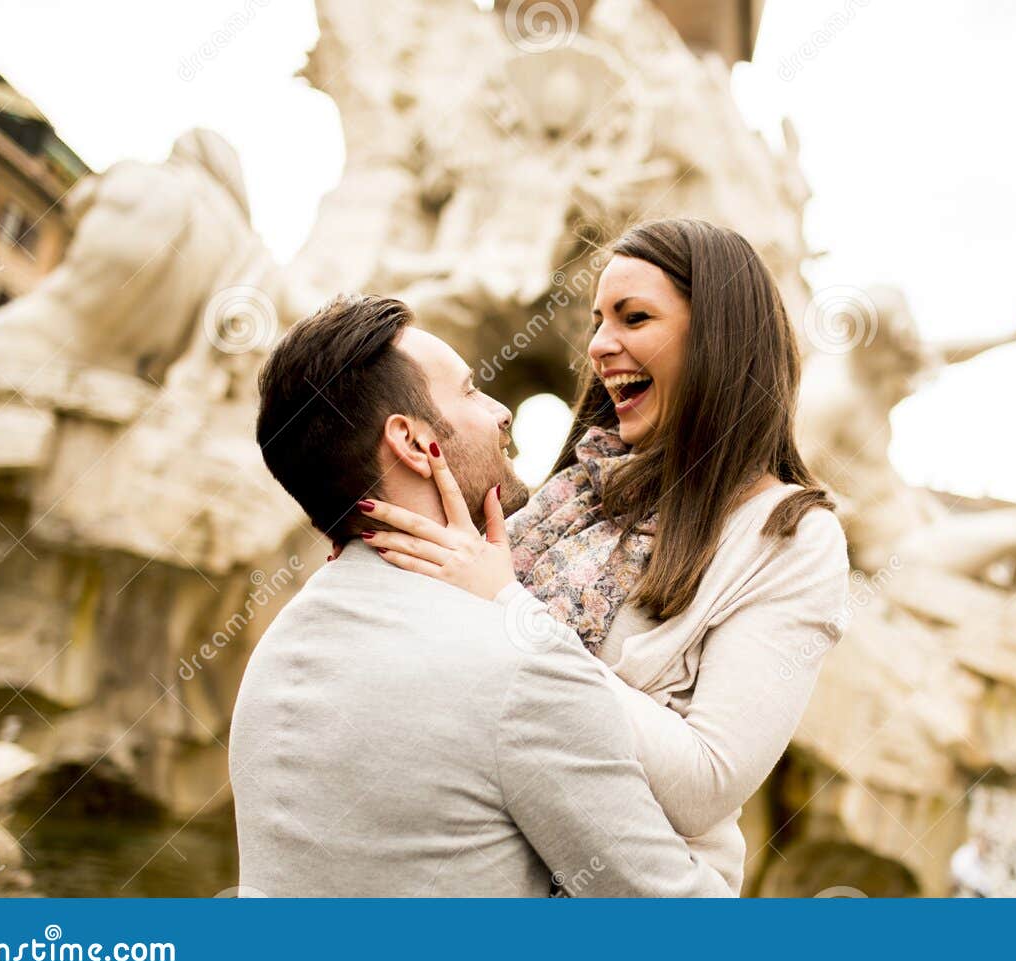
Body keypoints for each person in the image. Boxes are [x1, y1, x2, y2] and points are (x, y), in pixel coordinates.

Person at [356, 218, 851, 892]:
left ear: (719, 338)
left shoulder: (791, 537)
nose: (598, 345)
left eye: (634, 317)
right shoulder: (572, 493)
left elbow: (706, 784)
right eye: (597, 322)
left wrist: (509, 612)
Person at [229, 294, 731, 897]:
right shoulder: (522, 669)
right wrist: (719, 844)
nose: (500, 411)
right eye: (470, 391)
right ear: (414, 442)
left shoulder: (276, 655)